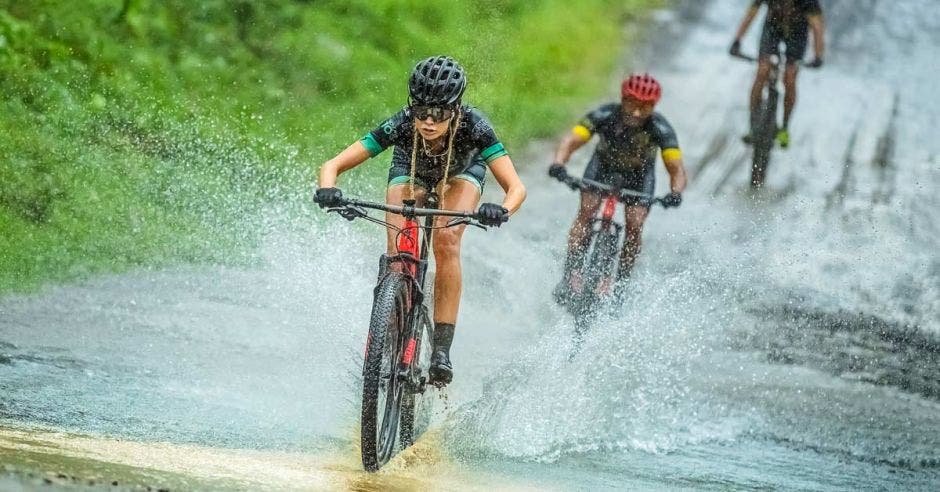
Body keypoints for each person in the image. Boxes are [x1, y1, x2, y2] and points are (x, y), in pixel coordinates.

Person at [314, 55, 526, 386]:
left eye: (439, 113)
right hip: (410, 169)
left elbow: (516, 188)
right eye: (421, 111)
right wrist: (328, 189)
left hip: (461, 173)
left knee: (446, 241)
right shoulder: (400, 123)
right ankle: (386, 332)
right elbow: (332, 165)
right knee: (399, 254)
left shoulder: (477, 126)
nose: (428, 121)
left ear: (455, 109)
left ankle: (441, 350)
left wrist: (501, 209)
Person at [549, 73, 686, 300]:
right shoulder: (604, 115)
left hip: (639, 178)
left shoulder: (661, 128)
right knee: (586, 212)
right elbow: (571, 140)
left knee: (634, 225)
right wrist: (558, 163)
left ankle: (621, 286)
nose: (636, 112)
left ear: (653, 106)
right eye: (632, 103)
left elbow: (676, 168)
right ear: (623, 99)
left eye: (645, 107)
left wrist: (676, 192)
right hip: (601, 169)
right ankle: (568, 274)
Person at [730, 0, 825, 148]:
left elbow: (817, 26)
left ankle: (785, 128)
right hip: (772, 28)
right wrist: (737, 40)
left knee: (790, 78)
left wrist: (818, 54)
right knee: (762, 72)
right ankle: (753, 125)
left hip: (797, 33)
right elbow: (751, 14)